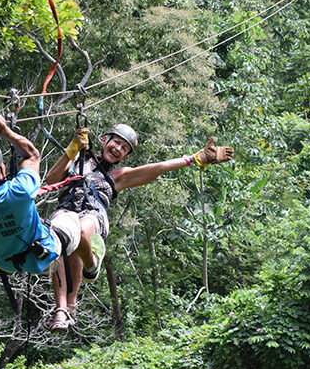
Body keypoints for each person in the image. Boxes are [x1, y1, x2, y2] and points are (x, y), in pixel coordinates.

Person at [41, 123, 234, 331]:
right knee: (60, 238)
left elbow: (158, 168)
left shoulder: (118, 176)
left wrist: (194, 158)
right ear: (104, 140)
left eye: (124, 149)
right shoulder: (77, 162)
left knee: (78, 232)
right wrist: (72, 150)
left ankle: (85, 278)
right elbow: (50, 181)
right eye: (116, 142)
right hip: (65, 210)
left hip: (92, 214)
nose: (118, 149)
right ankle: (62, 309)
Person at [0, 106, 95, 282]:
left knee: (23, 223)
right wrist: (6, 132)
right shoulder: (18, 193)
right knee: (71, 216)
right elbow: (32, 156)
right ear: (1, 173)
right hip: (43, 253)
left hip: (5, 261)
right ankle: (91, 267)